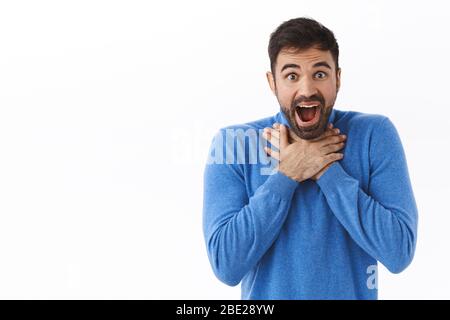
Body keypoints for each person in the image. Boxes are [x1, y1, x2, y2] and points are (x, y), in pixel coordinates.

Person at [202, 17, 418, 299]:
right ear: (272, 82)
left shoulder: (374, 134)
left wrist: (326, 169)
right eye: (292, 76)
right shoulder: (232, 143)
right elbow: (225, 266)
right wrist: (286, 176)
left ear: (338, 78)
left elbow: (398, 252)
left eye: (320, 74)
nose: (306, 90)